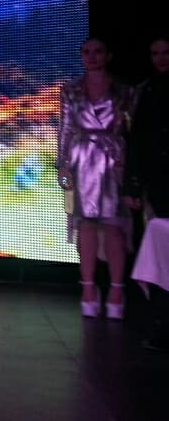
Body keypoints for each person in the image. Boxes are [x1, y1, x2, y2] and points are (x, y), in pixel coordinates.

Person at [56, 37, 134, 319]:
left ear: (108, 55)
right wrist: (62, 165)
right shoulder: (70, 89)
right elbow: (65, 128)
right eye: (87, 52)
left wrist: (131, 164)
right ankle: (88, 288)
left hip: (114, 160)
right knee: (86, 226)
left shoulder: (124, 91)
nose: (92, 56)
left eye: (98, 51)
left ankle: (116, 290)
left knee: (113, 227)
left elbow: (134, 130)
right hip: (81, 161)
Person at [124, 35, 169, 350]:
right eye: (155, 53)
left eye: (166, 52)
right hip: (160, 184)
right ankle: (163, 324)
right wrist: (133, 184)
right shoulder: (147, 90)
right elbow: (137, 140)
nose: (161, 58)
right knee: (161, 255)